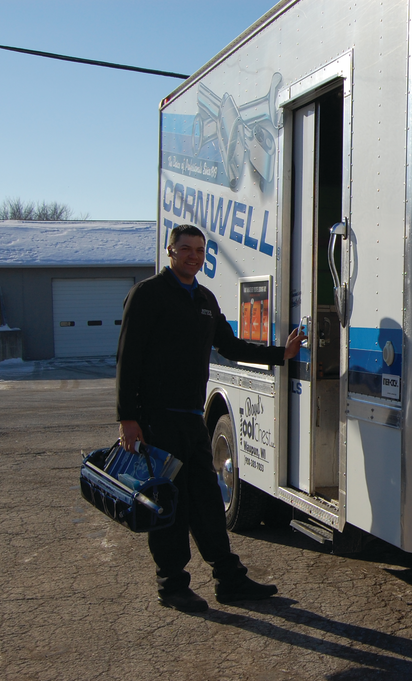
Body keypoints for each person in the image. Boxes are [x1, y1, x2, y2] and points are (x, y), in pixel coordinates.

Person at [116, 223, 304, 613]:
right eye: (186, 249)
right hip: (157, 420)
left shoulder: (204, 298)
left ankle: (229, 579)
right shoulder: (148, 295)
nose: (194, 256)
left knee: (205, 499)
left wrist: (279, 355)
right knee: (169, 504)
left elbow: (229, 346)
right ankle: (171, 586)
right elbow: (127, 359)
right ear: (171, 252)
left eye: (200, 251)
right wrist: (127, 418)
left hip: (191, 418)